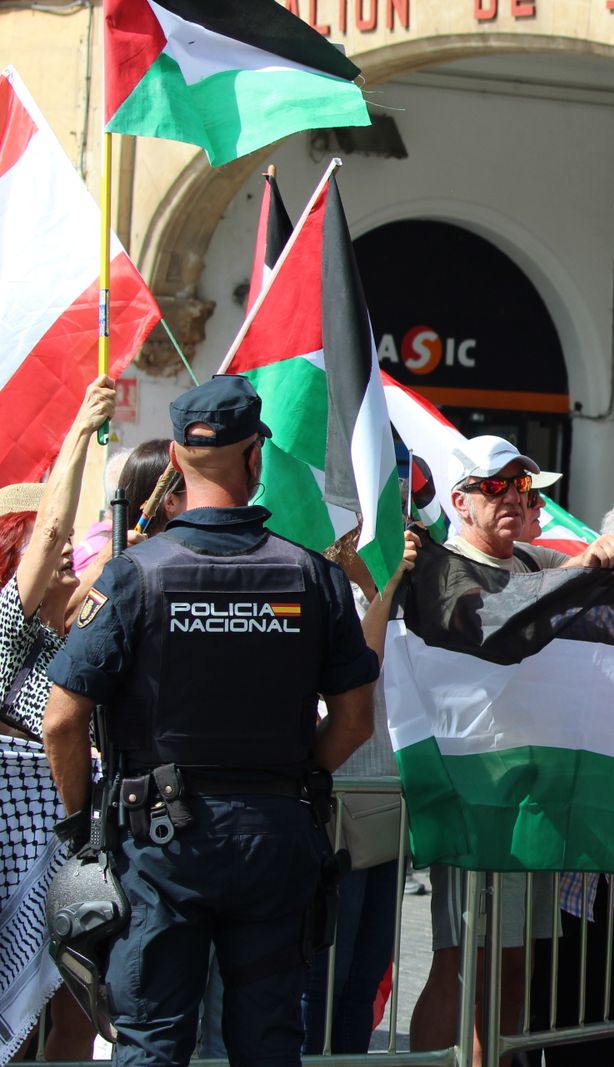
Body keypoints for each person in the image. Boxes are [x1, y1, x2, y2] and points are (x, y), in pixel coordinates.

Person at [41, 374, 379, 1065]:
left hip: (160, 843)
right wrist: (294, 779)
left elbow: (60, 721)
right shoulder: (312, 577)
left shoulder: (134, 574)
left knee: (153, 1041)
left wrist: (82, 824)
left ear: (173, 457)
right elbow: (354, 719)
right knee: (267, 1042)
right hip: (275, 838)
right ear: (256, 458)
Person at [408, 435, 614, 1062]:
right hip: (475, 796)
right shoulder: (441, 564)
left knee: (512, 967)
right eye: (496, 485)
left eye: (522, 485)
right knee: (460, 963)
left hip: (529, 801)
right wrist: (584, 563)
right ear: (460, 501)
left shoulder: (531, 562)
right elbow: (493, 620)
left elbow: (612, 577)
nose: (513, 496)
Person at [0, 377, 113, 1061]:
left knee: (74, 1008)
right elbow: (49, 534)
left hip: (73, 855)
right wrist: (77, 431)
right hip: (15, 860)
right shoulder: (5, 633)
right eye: (59, 552)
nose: (71, 554)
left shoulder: (80, 637)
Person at [302, 526, 417, 1055]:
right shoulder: (327, 592)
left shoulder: (397, 598)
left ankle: (347, 1057)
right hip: (339, 808)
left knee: (367, 969)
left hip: (388, 808)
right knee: (329, 967)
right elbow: (356, 678)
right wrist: (385, 587)